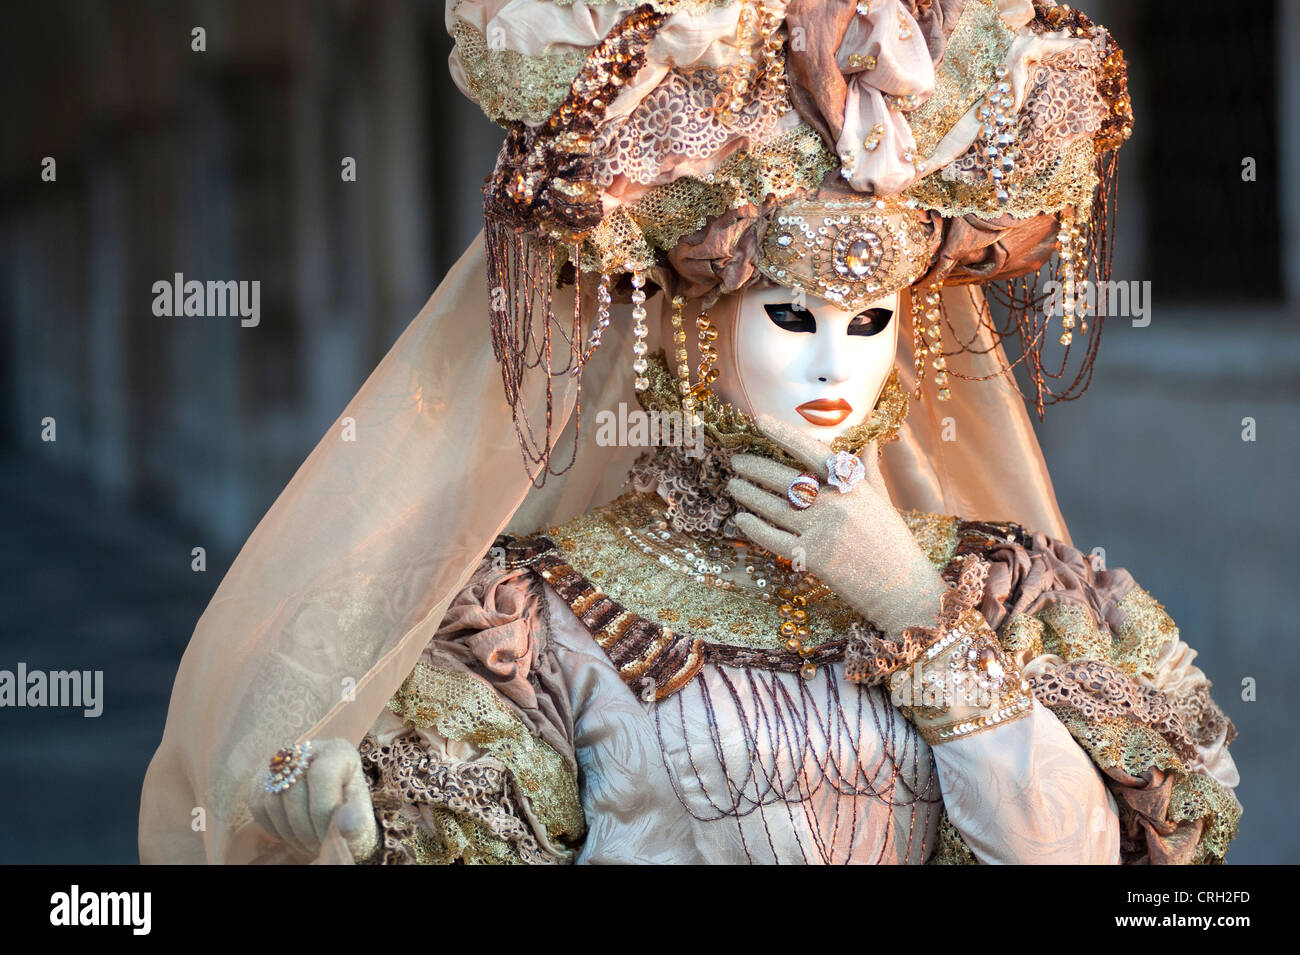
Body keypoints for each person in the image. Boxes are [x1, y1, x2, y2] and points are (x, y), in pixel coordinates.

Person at [139, 0, 1240, 865]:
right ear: (694, 322)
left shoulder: (1012, 600)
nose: (829, 361)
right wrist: (331, 806)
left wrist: (915, 608)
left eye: (868, 323)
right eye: (791, 315)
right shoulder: (544, 623)